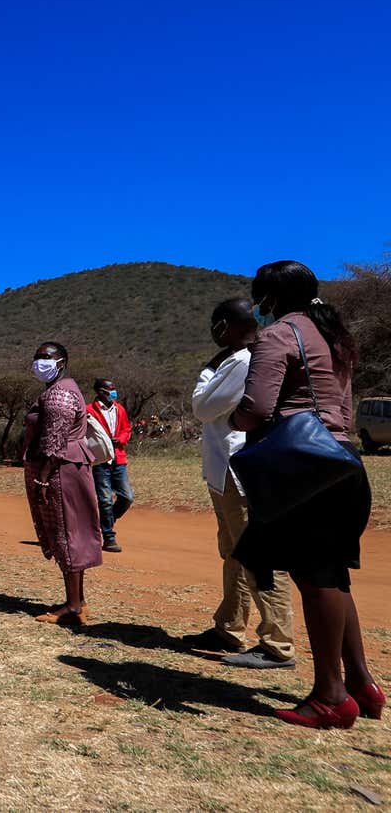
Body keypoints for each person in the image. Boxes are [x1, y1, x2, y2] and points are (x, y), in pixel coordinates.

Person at [231, 261, 376, 729]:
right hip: (343, 461)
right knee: (334, 577)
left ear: (269, 299)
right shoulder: (333, 335)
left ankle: (331, 695)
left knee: (315, 582)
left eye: (260, 298)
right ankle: (361, 683)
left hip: (303, 470)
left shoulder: (278, 336)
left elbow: (256, 409)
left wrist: (230, 420)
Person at [181, 300, 294, 667]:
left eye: (217, 323)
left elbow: (202, 407)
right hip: (225, 470)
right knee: (233, 551)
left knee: (258, 554)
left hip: (240, 469)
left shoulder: (243, 362)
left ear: (227, 325)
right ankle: (229, 626)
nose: (213, 330)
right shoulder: (239, 359)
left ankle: (278, 643)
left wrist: (205, 372)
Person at [22, 342, 103, 626]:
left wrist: (42, 478)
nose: (39, 362)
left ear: (62, 361)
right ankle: (76, 601)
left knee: (66, 532)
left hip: (59, 471)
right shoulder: (61, 390)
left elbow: (54, 442)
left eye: (46, 357)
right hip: (67, 467)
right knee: (69, 533)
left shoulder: (59, 395)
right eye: (37, 357)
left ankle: (72, 606)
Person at [86, 377, 133, 553]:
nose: (113, 392)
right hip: (100, 460)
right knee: (104, 500)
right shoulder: (89, 410)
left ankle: (102, 524)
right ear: (99, 391)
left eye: (114, 389)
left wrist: (120, 439)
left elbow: (127, 429)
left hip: (118, 458)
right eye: (109, 389)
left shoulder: (119, 409)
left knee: (127, 497)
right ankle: (109, 537)